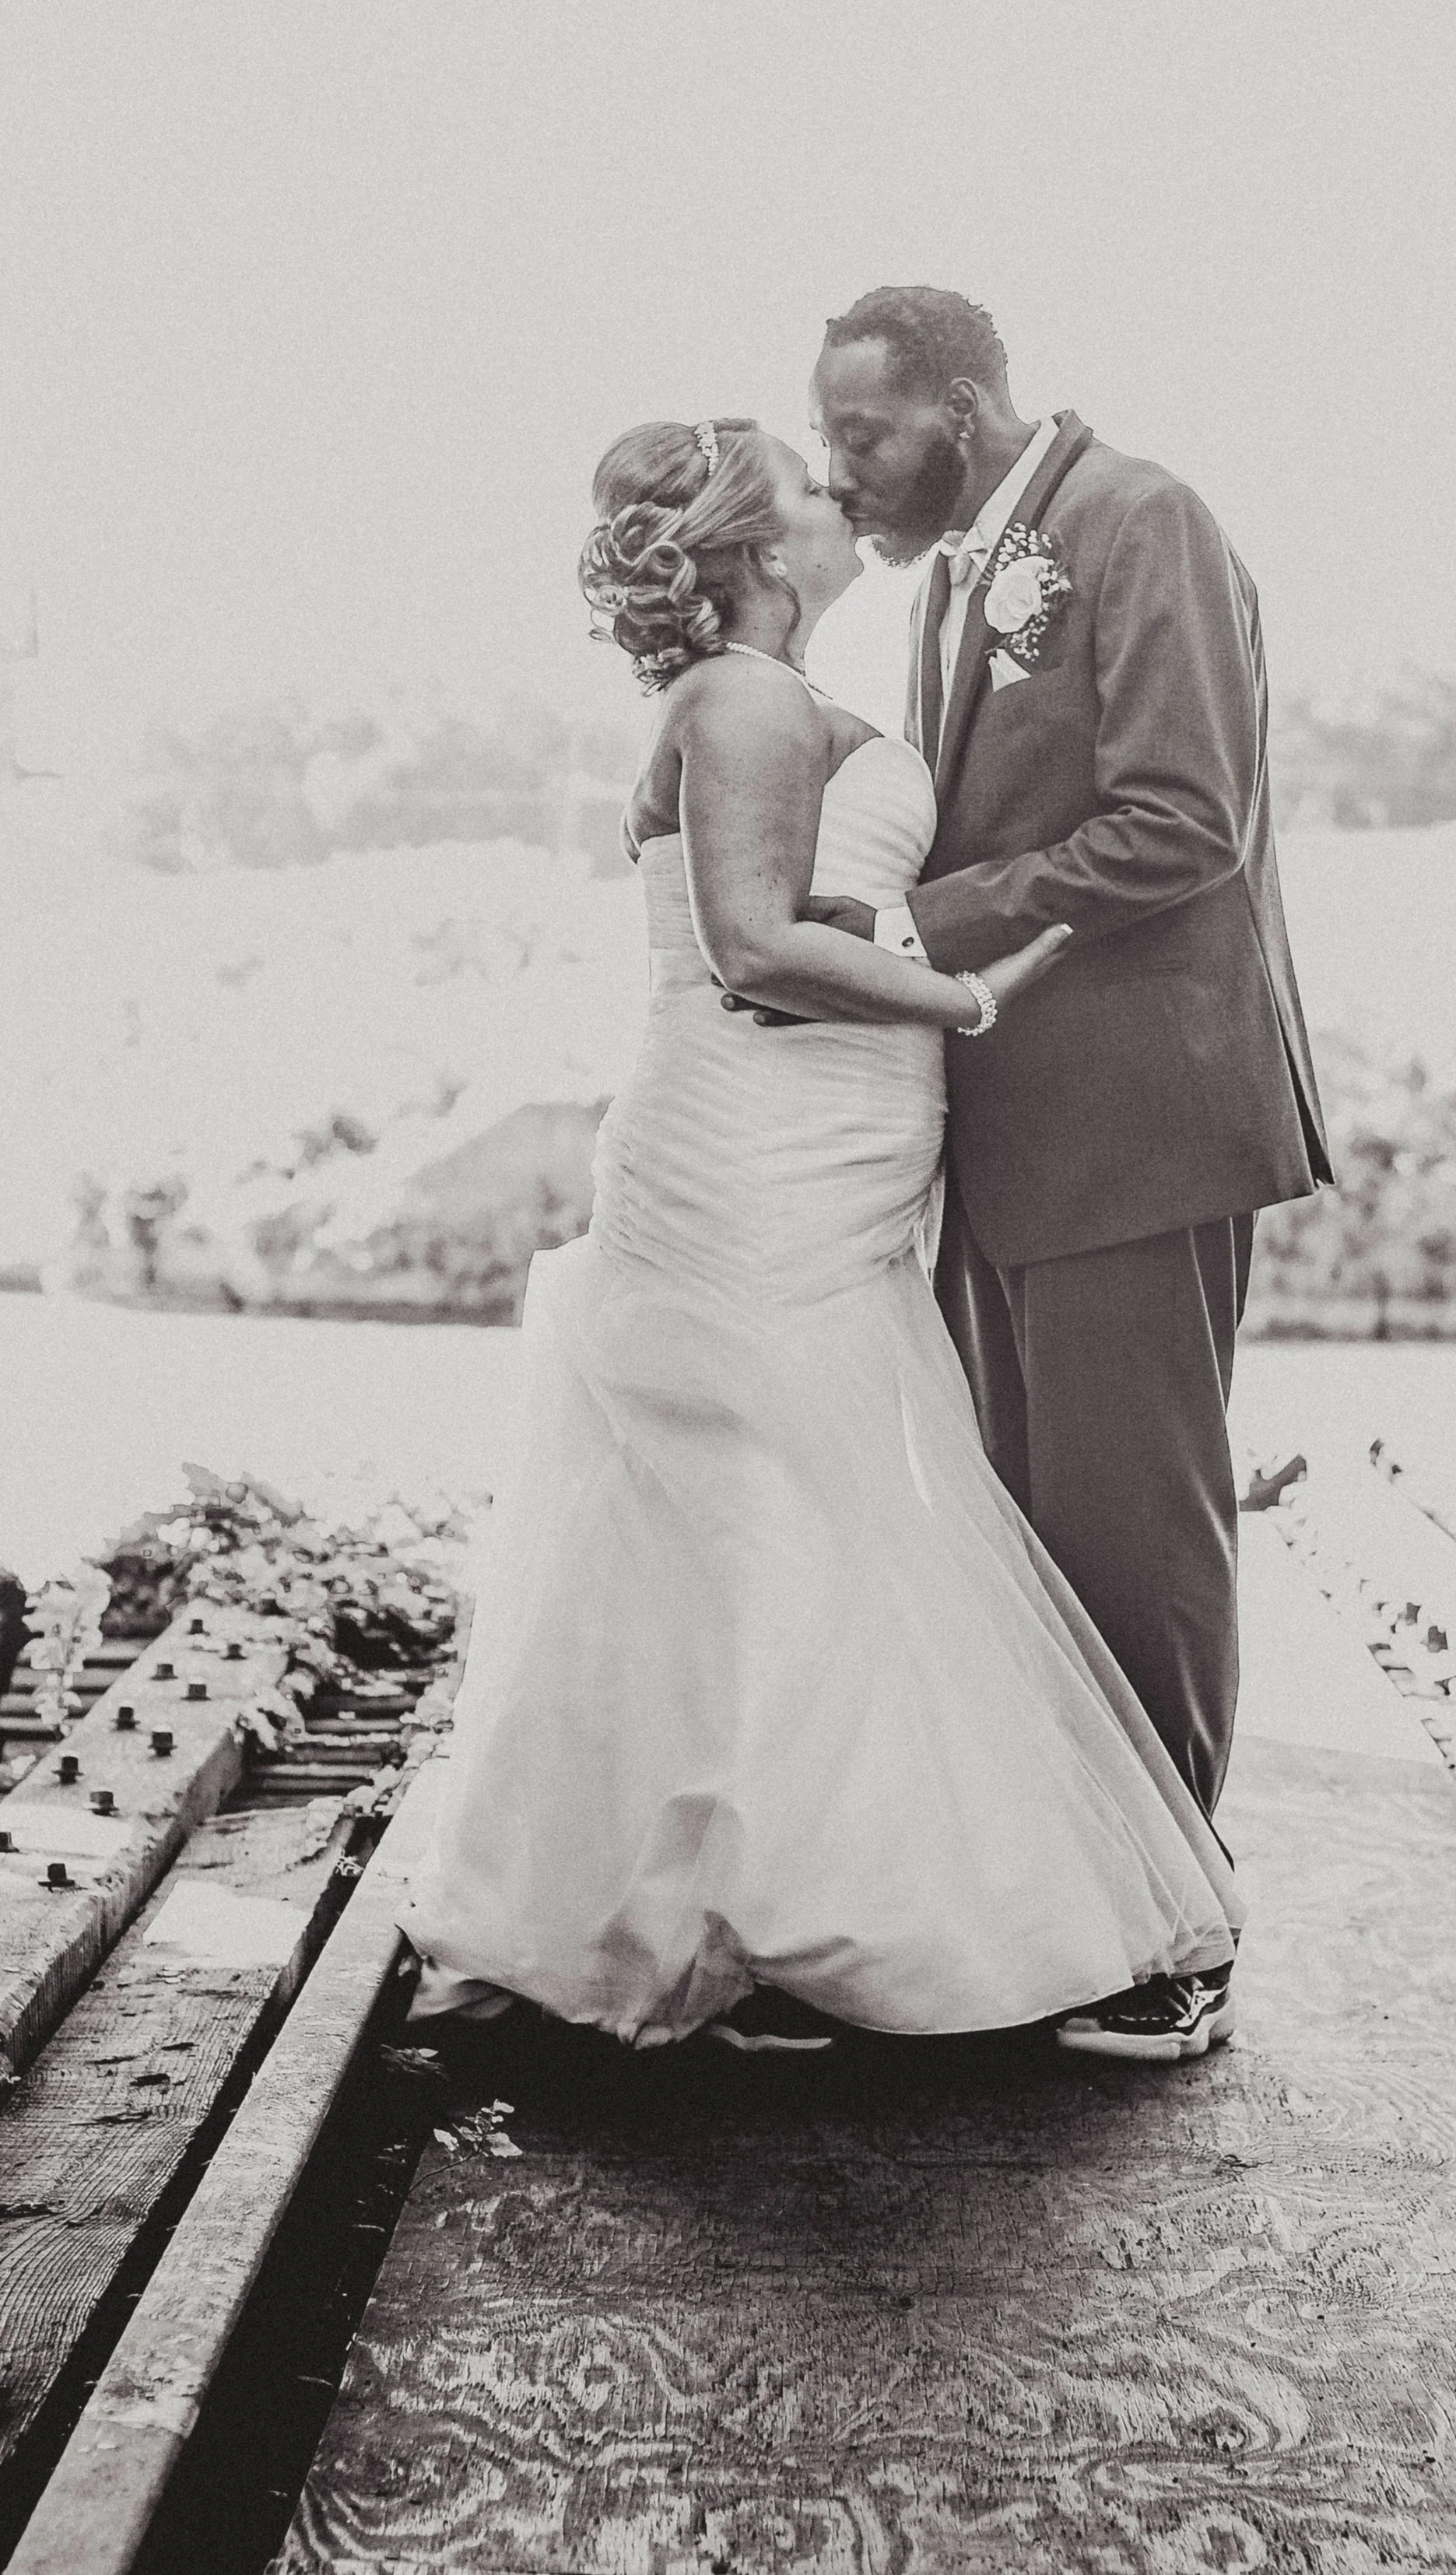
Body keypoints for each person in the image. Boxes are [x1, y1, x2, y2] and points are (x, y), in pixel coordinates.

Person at [400, 413, 1244, 2063]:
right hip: (752, 1150)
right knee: (780, 1513)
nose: (834, 491)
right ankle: (777, 1915)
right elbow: (748, 944)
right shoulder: (743, 698)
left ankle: (750, 1904)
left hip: (831, 1149)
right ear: (756, 543)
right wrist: (964, 993)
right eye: (805, 480)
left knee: (776, 1517)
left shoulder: (782, 691)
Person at [786, 291, 1331, 2042]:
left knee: (1133, 1524)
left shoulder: (1136, 519)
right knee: (1039, 1532)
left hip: (1138, 1128)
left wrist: (910, 921)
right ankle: (1087, 1898)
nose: (835, 469)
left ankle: (1181, 1941)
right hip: (1024, 1129)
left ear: (959, 404)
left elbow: (1185, 821)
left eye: (860, 434)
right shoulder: (970, 568)